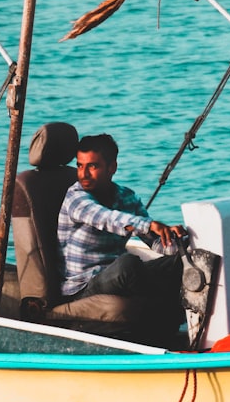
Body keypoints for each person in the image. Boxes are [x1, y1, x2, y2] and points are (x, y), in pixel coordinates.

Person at [57, 134, 186, 328]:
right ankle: (165, 314)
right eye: (80, 166)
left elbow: (154, 241)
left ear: (112, 168)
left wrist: (175, 241)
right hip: (81, 287)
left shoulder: (127, 197)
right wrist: (148, 225)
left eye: (92, 166)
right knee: (128, 264)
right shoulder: (75, 198)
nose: (83, 174)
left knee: (179, 261)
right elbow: (106, 218)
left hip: (116, 276)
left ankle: (173, 313)